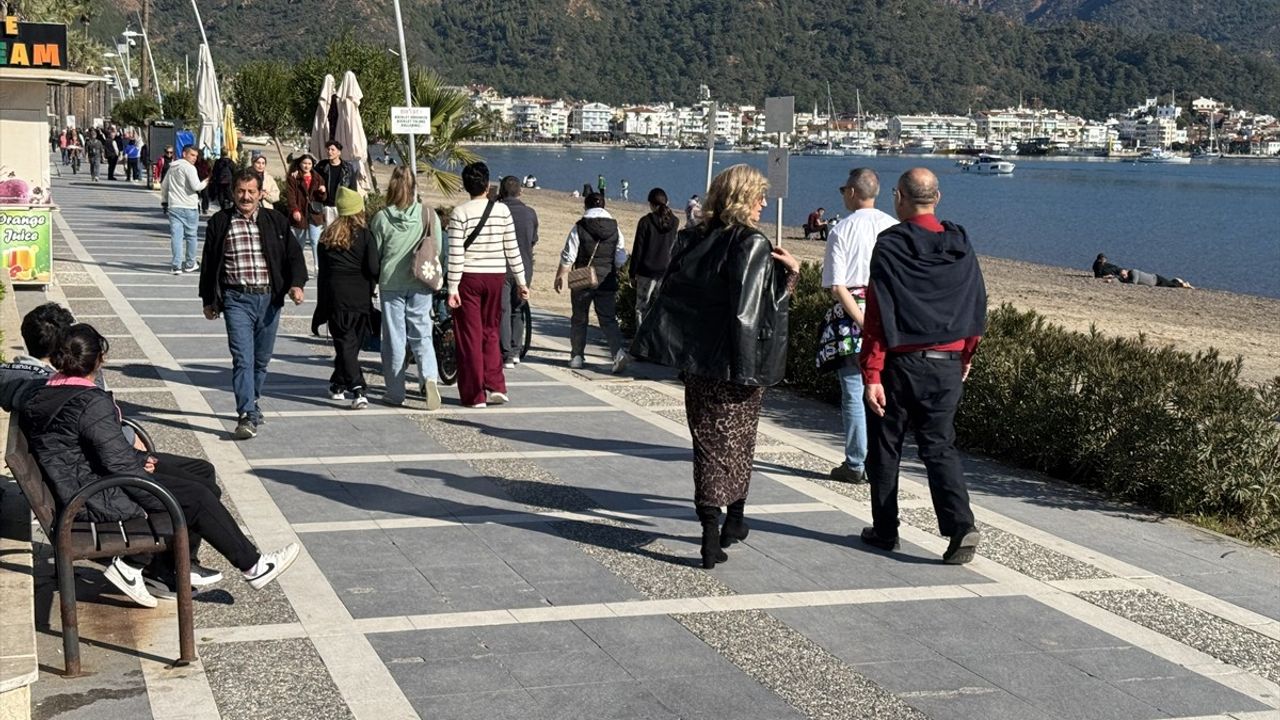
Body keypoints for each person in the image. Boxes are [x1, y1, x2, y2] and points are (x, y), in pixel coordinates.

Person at [18, 324, 300, 607]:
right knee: (197, 497)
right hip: (94, 496)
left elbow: (93, 451)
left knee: (201, 472)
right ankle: (252, 566)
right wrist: (148, 487)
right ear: (98, 359)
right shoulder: (89, 402)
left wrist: (142, 461)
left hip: (89, 479)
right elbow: (117, 465)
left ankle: (171, 570)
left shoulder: (51, 390)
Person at [631, 164, 800, 569]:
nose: (764, 203)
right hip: (736, 362)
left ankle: (723, 526)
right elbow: (752, 310)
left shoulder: (692, 237)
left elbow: (680, 298)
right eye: (759, 196)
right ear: (743, 198)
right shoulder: (751, 242)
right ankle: (722, 528)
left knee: (707, 446)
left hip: (698, 362)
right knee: (739, 444)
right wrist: (792, 274)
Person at [860, 168, 987, 565]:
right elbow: (976, 301)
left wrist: (871, 373)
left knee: (885, 448)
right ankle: (960, 526)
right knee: (939, 447)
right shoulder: (960, 243)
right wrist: (965, 354)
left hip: (900, 362)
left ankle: (885, 531)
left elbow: (879, 313)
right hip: (947, 362)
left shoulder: (891, 245)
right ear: (938, 197)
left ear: (898, 196)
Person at [199, 170, 308, 440]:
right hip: (237, 299)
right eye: (240, 191)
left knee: (261, 360)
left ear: (261, 193)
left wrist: (296, 285)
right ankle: (246, 413)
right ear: (233, 192)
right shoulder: (220, 222)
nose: (245, 197)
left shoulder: (275, 221)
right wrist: (208, 300)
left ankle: (254, 400)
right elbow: (209, 263)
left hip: (269, 299)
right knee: (242, 358)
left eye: (251, 191)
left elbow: (293, 256)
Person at [822, 168, 898, 484]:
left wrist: (864, 322)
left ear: (852, 192)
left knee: (853, 391)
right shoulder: (893, 227)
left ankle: (856, 461)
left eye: (843, 190)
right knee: (886, 390)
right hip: (889, 312)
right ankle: (883, 461)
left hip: (852, 315)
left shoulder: (842, 229)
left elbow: (837, 286)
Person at [446, 162, 529, 408]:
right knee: (491, 330)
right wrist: (521, 281)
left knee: (470, 335)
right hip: (496, 276)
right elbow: (512, 249)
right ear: (487, 183)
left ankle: (474, 394)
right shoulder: (502, 211)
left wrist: (452, 288)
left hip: (469, 278)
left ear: (465, 185)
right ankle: (495, 384)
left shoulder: (459, 213)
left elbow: (456, 255)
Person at [371, 165, 442, 409]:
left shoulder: (381, 218)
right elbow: (438, 249)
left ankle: (395, 391)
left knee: (394, 338)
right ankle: (429, 377)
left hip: (391, 282)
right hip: (421, 281)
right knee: (422, 333)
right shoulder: (428, 215)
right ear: (414, 188)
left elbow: (376, 254)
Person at [314, 188, 380, 409]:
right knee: (351, 344)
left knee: (345, 344)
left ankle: (338, 383)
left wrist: (321, 305)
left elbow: (322, 274)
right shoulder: (365, 234)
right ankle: (358, 388)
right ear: (359, 210)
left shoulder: (326, 237)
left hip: (335, 297)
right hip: (360, 297)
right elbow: (373, 267)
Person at [554, 193, 629, 373]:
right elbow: (620, 257)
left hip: (582, 276)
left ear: (585, 206)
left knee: (579, 318)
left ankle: (577, 356)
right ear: (604, 206)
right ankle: (617, 353)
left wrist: (560, 275)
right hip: (606, 279)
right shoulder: (615, 228)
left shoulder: (580, 226)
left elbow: (569, 254)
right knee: (608, 319)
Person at [497, 175, 539, 368]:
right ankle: (515, 351)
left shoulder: (496, 211)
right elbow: (532, 240)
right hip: (524, 266)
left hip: (500, 266)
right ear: (520, 191)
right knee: (517, 309)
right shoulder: (530, 213)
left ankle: (505, 351)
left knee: (503, 309)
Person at [630, 187, 679, 327]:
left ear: (651, 204)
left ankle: (640, 344)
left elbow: (638, 249)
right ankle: (655, 342)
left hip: (646, 270)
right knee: (659, 308)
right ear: (667, 202)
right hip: (665, 270)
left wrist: (632, 273)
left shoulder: (645, 222)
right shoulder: (674, 221)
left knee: (641, 308)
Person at [161, 146, 208, 275]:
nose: (194, 158)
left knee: (176, 236)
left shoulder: (173, 166)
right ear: (184, 154)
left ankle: (176, 265)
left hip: (174, 205)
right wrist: (206, 181)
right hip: (189, 206)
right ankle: (190, 263)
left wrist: (164, 201)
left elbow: (164, 185)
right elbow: (196, 186)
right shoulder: (189, 168)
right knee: (191, 236)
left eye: (196, 156)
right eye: (192, 155)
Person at [285, 153, 327, 268]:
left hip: (314, 213)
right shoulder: (293, 177)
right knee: (300, 242)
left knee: (315, 240)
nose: (307, 166)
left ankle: (317, 265)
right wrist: (294, 210)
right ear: (299, 163)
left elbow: (322, 198)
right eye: (304, 163)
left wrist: (322, 192)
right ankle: (299, 265)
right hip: (300, 212)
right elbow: (291, 196)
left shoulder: (318, 177)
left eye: (309, 163)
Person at [318, 140, 357, 226]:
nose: (329, 152)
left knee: (341, 234)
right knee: (327, 234)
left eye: (332, 150)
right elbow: (310, 173)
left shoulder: (348, 168)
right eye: (328, 149)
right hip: (327, 206)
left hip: (341, 207)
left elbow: (353, 188)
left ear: (339, 152)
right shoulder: (322, 166)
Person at [1118, 267, 1193, 288]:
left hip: (1156, 279)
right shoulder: (1128, 278)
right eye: (1122, 276)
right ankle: (1176, 280)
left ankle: (1184, 284)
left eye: (1124, 274)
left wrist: (1122, 281)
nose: (1124, 276)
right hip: (1155, 283)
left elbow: (1134, 282)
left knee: (1171, 285)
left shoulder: (1133, 272)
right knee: (1170, 285)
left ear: (1126, 270)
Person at [194, 149, 213, 215]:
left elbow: (210, 171)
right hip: (195, 180)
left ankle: (205, 208)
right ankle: (197, 207)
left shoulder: (205, 163)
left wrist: (208, 178)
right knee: (195, 195)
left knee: (205, 195)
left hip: (204, 181)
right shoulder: (194, 163)